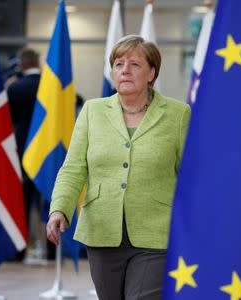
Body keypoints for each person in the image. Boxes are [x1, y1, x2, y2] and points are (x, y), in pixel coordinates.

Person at [46, 35, 191, 299]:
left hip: (156, 233)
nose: (124, 70)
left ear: (152, 73)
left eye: (134, 64)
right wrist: (60, 209)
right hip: (101, 231)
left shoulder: (178, 114)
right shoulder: (92, 111)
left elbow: (191, 177)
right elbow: (74, 168)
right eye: (118, 64)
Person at [7, 48, 55, 262]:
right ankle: (53, 252)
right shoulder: (52, 85)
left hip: (23, 151)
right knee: (51, 201)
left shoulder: (15, 88)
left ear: (22, 65)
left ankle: (19, 252)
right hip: (50, 151)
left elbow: (6, 120)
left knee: (22, 202)